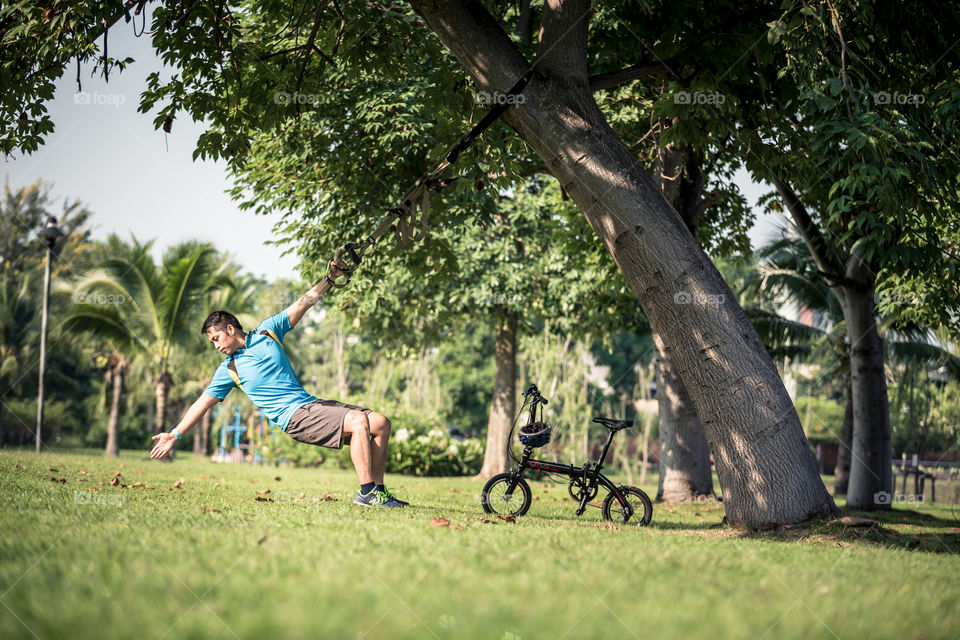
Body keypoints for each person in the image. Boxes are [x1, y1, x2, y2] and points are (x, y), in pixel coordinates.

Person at [149, 260, 407, 508]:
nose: (216, 346)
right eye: (212, 342)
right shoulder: (229, 369)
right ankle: (366, 493)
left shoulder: (267, 331)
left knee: (381, 423)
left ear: (230, 329)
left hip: (311, 405)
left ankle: (379, 492)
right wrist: (175, 433)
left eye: (216, 338)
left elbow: (303, 304)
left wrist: (329, 279)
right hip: (294, 418)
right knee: (358, 421)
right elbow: (201, 404)